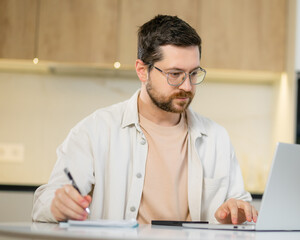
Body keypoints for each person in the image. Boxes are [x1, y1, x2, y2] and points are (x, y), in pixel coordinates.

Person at [32, 15, 258, 225]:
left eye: (193, 73)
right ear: (142, 70)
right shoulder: (96, 130)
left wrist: (237, 211)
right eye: (174, 74)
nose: (187, 86)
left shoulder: (216, 137)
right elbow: (43, 202)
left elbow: (240, 203)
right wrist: (57, 205)